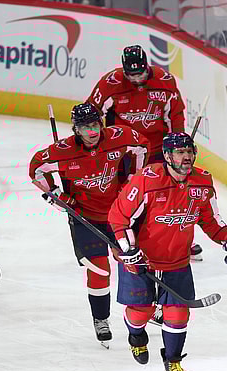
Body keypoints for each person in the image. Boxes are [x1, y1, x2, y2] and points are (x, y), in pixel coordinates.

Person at [108, 132, 227, 371]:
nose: (187, 157)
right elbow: (119, 217)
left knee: (178, 314)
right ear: (168, 156)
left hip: (177, 261)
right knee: (140, 314)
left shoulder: (202, 182)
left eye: (190, 151)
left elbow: (210, 219)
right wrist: (129, 250)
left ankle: (172, 363)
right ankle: (136, 336)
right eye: (180, 152)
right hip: (142, 260)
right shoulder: (147, 181)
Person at [28, 102, 149, 347]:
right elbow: (36, 169)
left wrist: (132, 182)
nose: (92, 132)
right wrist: (57, 196)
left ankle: (146, 307)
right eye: (85, 128)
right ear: (76, 130)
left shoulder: (119, 137)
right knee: (99, 269)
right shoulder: (63, 151)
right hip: (85, 217)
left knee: (133, 261)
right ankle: (100, 318)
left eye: (95, 125)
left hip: (118, 214)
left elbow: (142, 146)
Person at [85, 46, 203, 262]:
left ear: (147, 67)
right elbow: (91, 114)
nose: (137, 79)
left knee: (169, 192)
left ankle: (177, 237)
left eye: (141, 73)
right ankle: (124, 236)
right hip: (125, 152)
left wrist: (178, 146)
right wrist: (96, 145)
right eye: (132, 75)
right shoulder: (110, 83)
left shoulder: (165, 81)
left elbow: (175, 115)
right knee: (126, 194)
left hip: (159, 150)